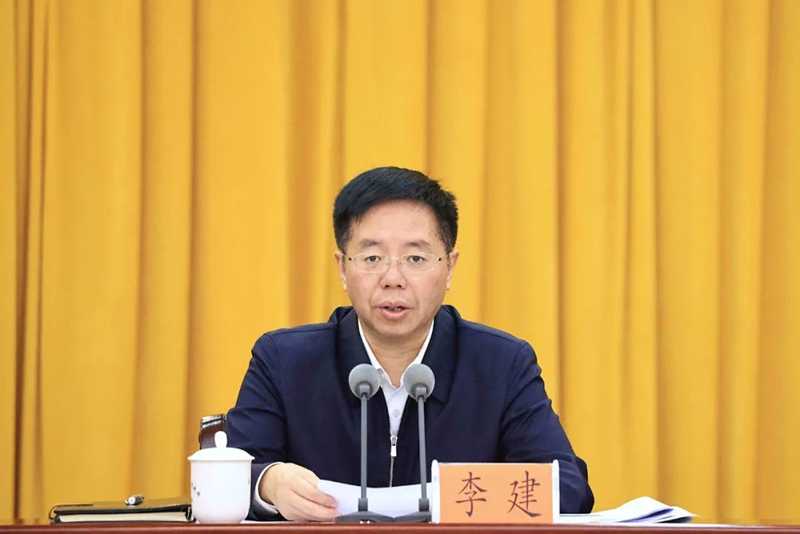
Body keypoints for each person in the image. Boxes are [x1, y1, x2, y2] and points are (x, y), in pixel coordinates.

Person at [226, 166, 594, 521]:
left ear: (449, 268)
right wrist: (268, 483)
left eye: (415, 258)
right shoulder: (284, 361)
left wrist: (457, 496)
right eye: (372, 258)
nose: (393, 278)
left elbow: (566, 487)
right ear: (342, 268)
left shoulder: (502, 364)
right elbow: (226, 478)